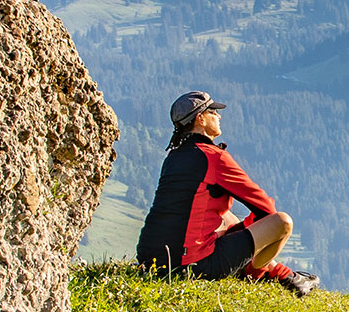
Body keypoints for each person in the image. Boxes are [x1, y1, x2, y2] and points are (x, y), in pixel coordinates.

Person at [134, 91, 318, 297]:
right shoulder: (214, 157)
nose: (219, 116)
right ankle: (258, 274)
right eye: (213, 111)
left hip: (149, 261)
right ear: (200, 118)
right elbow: (266, 209)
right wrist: (247, 233)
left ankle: (280, 273)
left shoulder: (173, 157)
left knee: (224, 216)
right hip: (192, 267)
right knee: (282, 222)